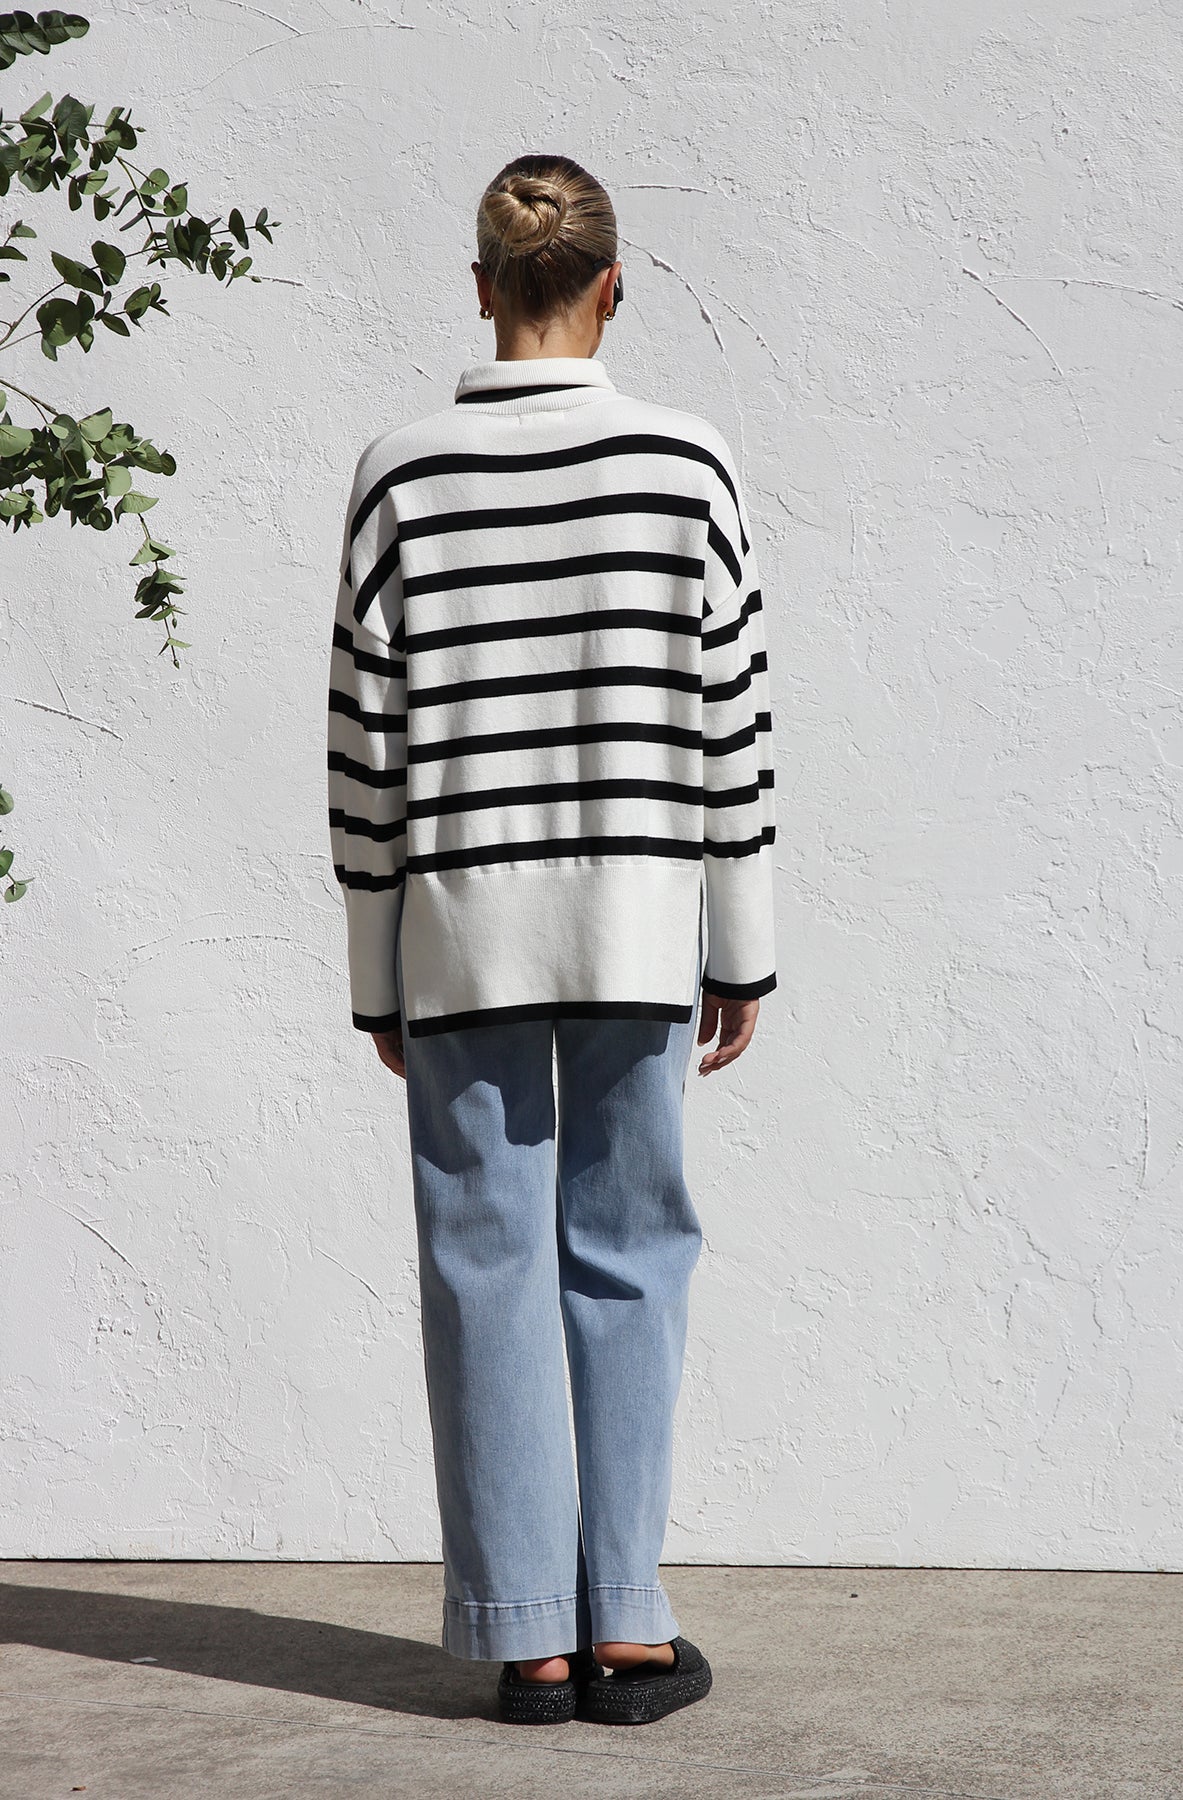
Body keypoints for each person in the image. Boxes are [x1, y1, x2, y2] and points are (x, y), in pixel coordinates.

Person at [327, 152, 776, 1727]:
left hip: (460, 934)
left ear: (480, 288)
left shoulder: (401, 475)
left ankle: (527, 1638)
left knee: (483, 1261)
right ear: (612, 290)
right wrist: (743, 944)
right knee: (632, 1248)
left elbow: (363, 747)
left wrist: (376, 971)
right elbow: (731, 723)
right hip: (642, 924)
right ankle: (628, 1625)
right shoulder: (687, 462)